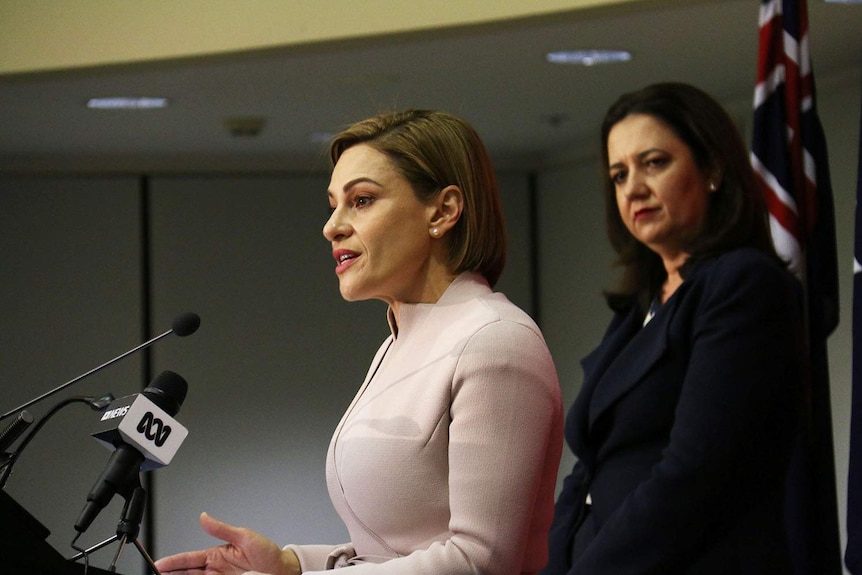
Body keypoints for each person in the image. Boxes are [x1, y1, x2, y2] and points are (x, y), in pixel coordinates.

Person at [155, 110, 564, 575]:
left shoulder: (495, 342)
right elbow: (388, 552)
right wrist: (291, 565)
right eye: (334, 204)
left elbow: (481, 562)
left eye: (362, 200)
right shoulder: (398, 340)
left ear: (444, 211)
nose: (332, 226)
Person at [543, 82, 803, 575]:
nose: (633, 187)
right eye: (619, 175)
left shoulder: (741, 285)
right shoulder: (635, 311)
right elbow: (588, 473)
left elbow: (697, 471)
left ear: (712, 169)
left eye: (654, 162)